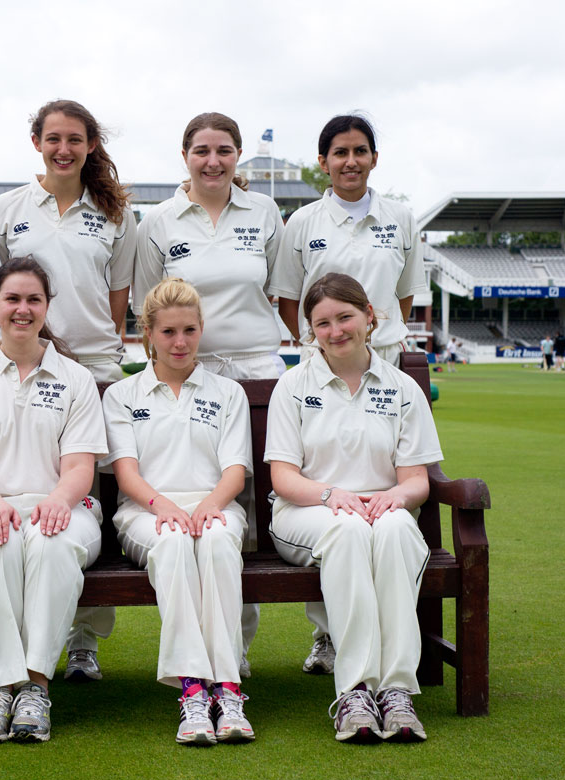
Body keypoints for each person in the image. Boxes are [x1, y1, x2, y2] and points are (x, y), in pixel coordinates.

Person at [272, 114, 426, 674]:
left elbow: (406, 298)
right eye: (340, 152)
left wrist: (370, 339)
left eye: (361, 151)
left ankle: (383, 656)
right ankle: (329, 634)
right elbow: (289, 299)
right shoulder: (303, 222)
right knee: (330, 497)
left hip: (380, 362)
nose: (351, 161)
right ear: (324, 162)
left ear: (374, 158)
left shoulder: (402, 218)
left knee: (381, 509)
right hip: (322, 363)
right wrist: (328, 339)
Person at [134, 111, 287, 674]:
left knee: (241, 506)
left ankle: (234, 649)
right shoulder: (160, 220)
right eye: (202, 150)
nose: (213, 160)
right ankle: (203, 653)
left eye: (224, 150)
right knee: (201, 497)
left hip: (254, 369)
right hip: (186, 366)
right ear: (185, 156)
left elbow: (277, 287)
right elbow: (150, 300)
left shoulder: (264, 211)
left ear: (237, 156)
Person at [0, 98, 137, 681]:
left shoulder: (117, 214)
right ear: (37, 143)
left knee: (89, 511)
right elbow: (1, 293)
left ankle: (83, 642)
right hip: (26, 365)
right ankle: (22, 639)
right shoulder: (5, 210)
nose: (64, 149)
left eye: (75, 139)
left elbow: (119, 301)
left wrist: (91, 354)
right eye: (54, 138)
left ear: (90, 146)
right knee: (27, 494)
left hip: (94, 371)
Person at [265, 272, 442, 743]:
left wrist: (394, 498)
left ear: (369, 316)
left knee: (396, 530)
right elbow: (283, 478)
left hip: (380, 511)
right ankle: (356, 691)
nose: (335, 330)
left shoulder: (402, 387)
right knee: (348, 530)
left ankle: (398, 690)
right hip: (306, 512)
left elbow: (417, 481)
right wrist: (331, 495)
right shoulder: (292, 385)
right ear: (310, 331)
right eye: (322, 323)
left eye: (345, 317)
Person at [0, 257, 107, 743]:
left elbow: (80, 468)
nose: (22, 309)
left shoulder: (74, 378)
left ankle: (34, 687)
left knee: (52, 545)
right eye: (12, 298)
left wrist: (58, 500)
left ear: (46, 306)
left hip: (62, 507)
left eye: (34, 299)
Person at [103, 277, 255, 745]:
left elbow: (234, 471)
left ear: (201, 328)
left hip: (215, 506)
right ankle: (192, 690)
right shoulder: (122, 396)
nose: (180, 342)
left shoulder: (228, 393)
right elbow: (126, 474)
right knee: (172, 542)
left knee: (216, 542)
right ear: (147, 332)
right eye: (168, 331)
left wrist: (208, 507)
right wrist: (164, 507)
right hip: (145, 513)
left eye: (189, 329)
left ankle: (227, 689)